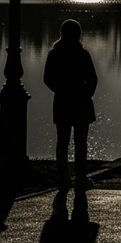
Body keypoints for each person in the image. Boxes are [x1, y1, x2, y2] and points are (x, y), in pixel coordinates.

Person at [44, 19, 98, 192]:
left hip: (62, 102)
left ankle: (64, 177)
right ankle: (80, 177)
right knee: (80, 141)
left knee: (62, 141)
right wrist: (86, 94)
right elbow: (93, 79)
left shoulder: (55, 54)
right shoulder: (83, 55)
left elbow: (48, 79)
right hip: (81, 102)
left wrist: (61, 90)